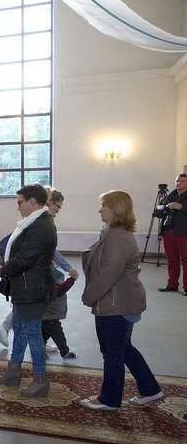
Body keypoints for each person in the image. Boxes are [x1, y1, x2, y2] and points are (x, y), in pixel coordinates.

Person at [79, 190, 163, 410]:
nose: (100, 209)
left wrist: (88, 296)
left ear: (116, 208)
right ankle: (150, 388)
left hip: (115, 305)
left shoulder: (118, 237)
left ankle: (109, 399)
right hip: (119, 301)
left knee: (112, 353)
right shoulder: (114, 233)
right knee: (124, 348)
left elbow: (108, 273)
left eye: (104, 205)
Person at [0, 188, 79, 347]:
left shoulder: (40, 221)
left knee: (29, 317)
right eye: (58, 207)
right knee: (30, 319)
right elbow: (24, 252)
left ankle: (18, 335)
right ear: (49, 203)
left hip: (32, 276)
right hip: (32, 279)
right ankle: (9, 331)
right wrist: (4, 269)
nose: (58, 211)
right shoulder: (39, 222)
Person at [0, 184, 57, 398]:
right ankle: (14, 371)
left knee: (32, 333)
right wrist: (4, 264)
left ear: (33, 202)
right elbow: (12, 249)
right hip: (24, 286)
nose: (17, 207)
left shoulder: (41, 226)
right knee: (19, 329)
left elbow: (26, 258)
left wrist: (3, 269)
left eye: (20, 202)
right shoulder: (31, 223)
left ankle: (40, 379)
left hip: (34, 288)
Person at [157, 173, 187, 296]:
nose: (178, 183)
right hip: (168, 232)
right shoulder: (171, 195)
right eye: (177, 181)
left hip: (184, 233)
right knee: (171, 260)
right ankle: (172, 284)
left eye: (182, 181)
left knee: (186, 260)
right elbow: (157, 212)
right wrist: (164, 208)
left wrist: (181, 207)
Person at [42, 268, 78, 360]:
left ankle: (39, 352)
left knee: (43, 336)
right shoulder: (56, 290)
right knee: (59, 337)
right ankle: (65, 352)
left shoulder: (47, 288)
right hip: (51, 319)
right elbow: (65, 287)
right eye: (62, 280)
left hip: (45, 318)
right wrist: (72, 279)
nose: (64, 281)